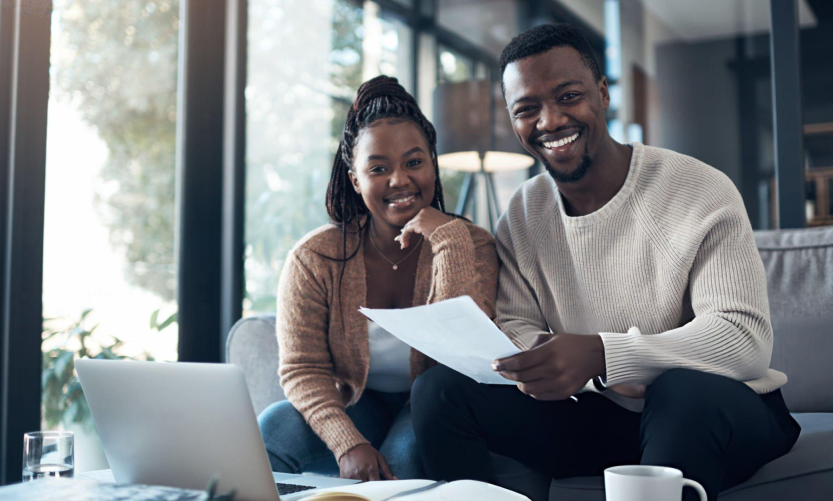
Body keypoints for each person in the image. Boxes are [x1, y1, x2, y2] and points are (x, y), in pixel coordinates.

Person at [411, 23, 800, 501]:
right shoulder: (524, 211)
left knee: (680, 392)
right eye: (526, 109)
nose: (550, 121)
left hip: (717, 414)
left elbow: (743, 339)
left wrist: (603, 354)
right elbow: (515, 325)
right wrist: (567, 369)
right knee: (439, 391)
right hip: (599, 415)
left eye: (568, 97)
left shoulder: (700, 188)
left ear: (602, 94)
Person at [257, 75, 498, 482]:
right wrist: (347, 443)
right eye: (379, 168)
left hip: (437, 403)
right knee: (273, 428)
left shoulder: (472, 244)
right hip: (359, 401)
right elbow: (303, 368)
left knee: (401, 463)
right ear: (355, 179)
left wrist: (447, 238)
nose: (399, 179)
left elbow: (463, 353)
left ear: (433, 164)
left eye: (414, 162)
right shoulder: (315, 257)